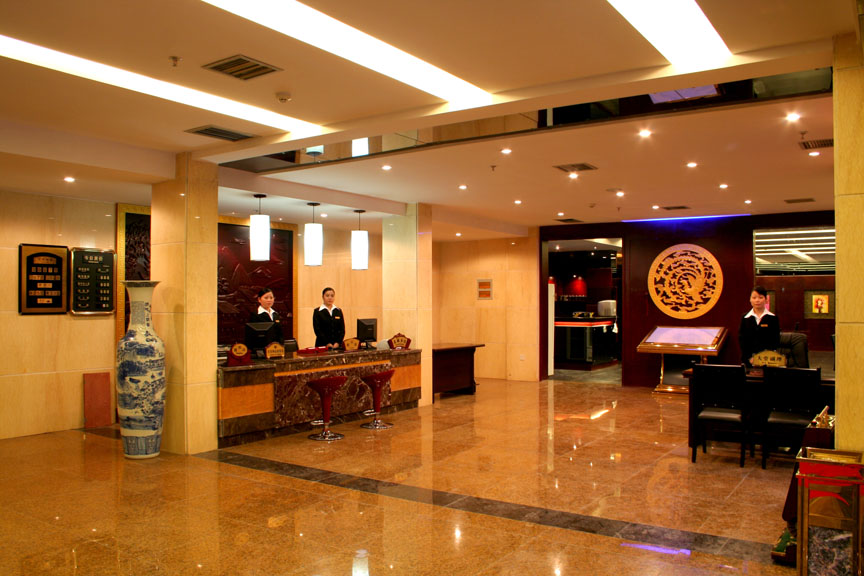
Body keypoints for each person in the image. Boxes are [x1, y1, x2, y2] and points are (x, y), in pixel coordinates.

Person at [738, 285, 780, 366]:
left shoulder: (773, 318)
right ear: (750, 300)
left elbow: (775, 341)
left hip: (767, 361)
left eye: (760, 297)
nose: (757, 300)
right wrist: (750, 358)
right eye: (754, 298)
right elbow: (742, 341)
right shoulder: (745, 318)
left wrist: (761, 358)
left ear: (766, 300)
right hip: (748, 360)